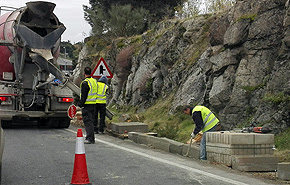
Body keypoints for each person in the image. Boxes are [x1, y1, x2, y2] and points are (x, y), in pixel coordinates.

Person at [78, 67, 98, 144]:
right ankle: (91, 137)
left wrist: (79, 105)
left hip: (87, 105)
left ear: (84, 73)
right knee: (91, 121)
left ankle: (90, 138)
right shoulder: (94, 81)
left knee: (88, 122)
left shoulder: (85, 83)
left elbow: (84, 96)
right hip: (94, 104)